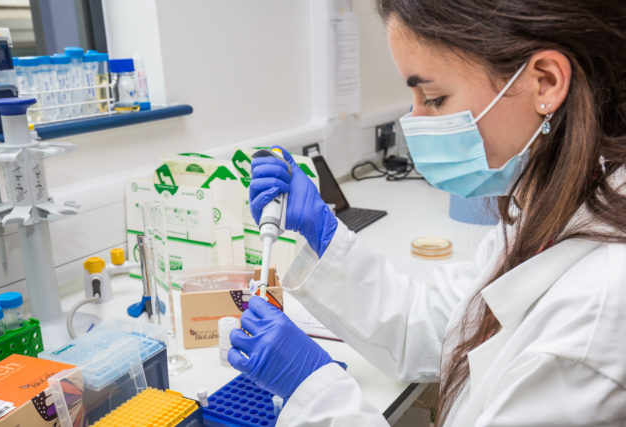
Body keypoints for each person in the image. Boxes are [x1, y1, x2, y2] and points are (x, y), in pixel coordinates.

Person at [228, 0, 626, 425]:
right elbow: (442, 325)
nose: (413, 120)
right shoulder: (554, 207)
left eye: (434, 98)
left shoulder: (595, 316)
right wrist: (325, 237)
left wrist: (313, 392)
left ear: (545, 82)